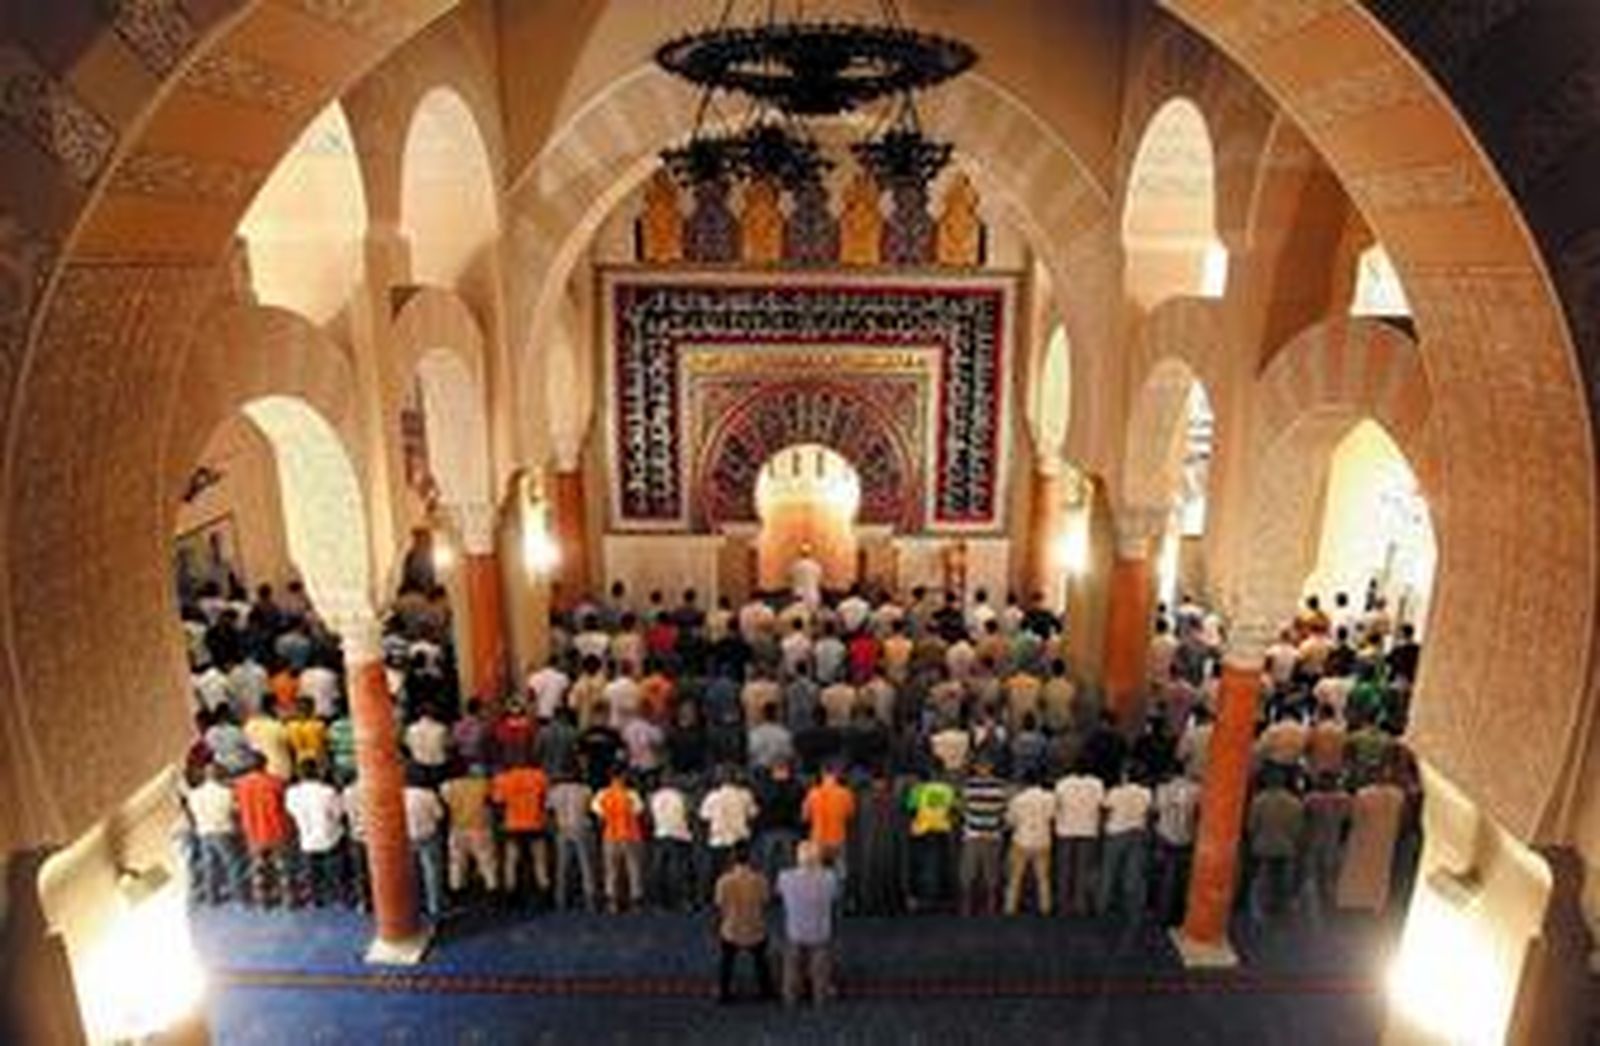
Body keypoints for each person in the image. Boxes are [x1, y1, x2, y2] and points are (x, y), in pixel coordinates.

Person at [777, 842, 838, 1006]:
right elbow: (834, 898)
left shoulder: (785, 877)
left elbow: (779, 895)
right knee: (821, 963)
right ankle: (820, 995)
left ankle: (790, 996)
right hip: (820, 933)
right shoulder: (830, 878)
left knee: (791, 962)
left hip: (795, 932)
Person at [714, 845, 776, 1003]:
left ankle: (724, 992)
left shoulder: (724, 880)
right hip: (755, 928)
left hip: (731, 929)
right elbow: (766, 901)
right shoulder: (760, 879)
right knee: (761, 960)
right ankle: (766, 991)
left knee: (726, 961)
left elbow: (719, 904)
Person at [234, 755, 293, 907]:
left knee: (259, 868)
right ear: (265, 765)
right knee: (282, 868)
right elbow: (284, 805)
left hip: (253, 832)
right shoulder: (275, 783)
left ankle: (263, 900)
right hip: (276, 830)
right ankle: (288, 900)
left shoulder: (240, 785)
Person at [285, 761, 345, 907]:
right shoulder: (328, 792)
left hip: (307, 840)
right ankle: (339, 896)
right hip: (330, 838)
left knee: (312, 872)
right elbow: (338, 813)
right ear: (318, 772)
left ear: (300, 774)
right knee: (334, 870)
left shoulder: (292, 793)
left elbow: (291, 812)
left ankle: (316, 898)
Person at [1247, 770, 1305, 920]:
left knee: (1262, 881)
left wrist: (1253, 840)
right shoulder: (1295, 803)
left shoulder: (1259, 801)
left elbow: (1251, 826)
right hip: (1286, 847)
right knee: (1282, 882)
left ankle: (1260, 913)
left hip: (1263, 847)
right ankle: (1281, 910)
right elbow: (1298, 829)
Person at [1099, 770, 1152, 923]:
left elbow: (1105, 807)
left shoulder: (1115, 792)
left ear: (1126, 777)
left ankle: (1103, 905)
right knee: (1132, 873)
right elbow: (1149, 812)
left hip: (1115, 833)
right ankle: (1130, 907)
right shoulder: (1146, 793)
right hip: (1137, 834)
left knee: (1109, 871)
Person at [958, 758, 1008, 916]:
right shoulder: (1001, 786)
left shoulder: (968, 785)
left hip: (972, 833)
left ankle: (967, 907)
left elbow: (961, 806)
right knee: (991, 872)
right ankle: (991, 907)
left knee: (968, 872)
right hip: (993, 834)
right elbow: (1004, 810)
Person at [592, 767, 645, 913]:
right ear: (623, 777)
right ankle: (635, 902)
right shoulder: (632, 794)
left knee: (611, 871)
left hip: (610, 835)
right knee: (633, 870)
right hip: (631, 836)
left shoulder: (602, 794)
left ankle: (612, 902)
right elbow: (638, 813)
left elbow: (599, 816)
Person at [443, 763, 501, 897]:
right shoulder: (484, 785)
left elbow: (445, 800)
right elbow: (495, 799)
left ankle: (456, 892)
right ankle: (492, 891)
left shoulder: (450, 785)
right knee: (487, 862)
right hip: (480, 827)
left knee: (456, 862)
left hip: (457, 827)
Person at [187, 763, 241, 904]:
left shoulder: (194, 795)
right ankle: (239, 894)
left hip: (204, 832)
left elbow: (194, 813)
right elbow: (234, 810)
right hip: (222, 831)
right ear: (219, 775)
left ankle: (212, 896)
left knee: (210, 865)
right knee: (232, 863)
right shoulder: (226, 792)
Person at [1151, 771, 1200, 925]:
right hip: (1186, 837)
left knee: (1163, 874)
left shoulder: (1162, 789)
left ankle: (1160, 912)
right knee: (1182, 878)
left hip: (1164, 836)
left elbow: (1154, 811)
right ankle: (1178, 914)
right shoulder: (1197, 790)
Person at [1052, 768, 1103, 916]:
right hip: (1088, 830)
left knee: (1064, 869)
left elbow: (1057, 806)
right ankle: (1080, 905)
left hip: (1065, 829)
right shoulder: (1097, 784)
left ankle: (1062, 905)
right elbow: (1100, 806)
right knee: (1083, 870)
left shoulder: (1062, 784)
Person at [905, 770, 958, 911]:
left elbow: (910, 810)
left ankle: (924, 900)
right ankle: (938, 900)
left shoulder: (917, 789)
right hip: (942, 830)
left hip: (921, 831)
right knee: (940, 866)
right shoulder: (948, 789)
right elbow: (954, 809)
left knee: (921, 866)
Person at [1004, 775, 1056, 916]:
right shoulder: (1050, 797)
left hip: (1021, 840)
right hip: (1043, 839)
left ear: (1025, 784)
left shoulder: (1018, 799)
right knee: (1043, 878)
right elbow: (1052, 816)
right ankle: (1045, 908)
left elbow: (1010, 821)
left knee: (1015, 878)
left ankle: (1010, 908)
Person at [548, 774, 598, 911]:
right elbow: (591, 809)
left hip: (563, 828)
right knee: (586, 865)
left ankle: (561, 899)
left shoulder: (555, 791)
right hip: (581, 827)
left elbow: (549, 810)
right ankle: (590, 898)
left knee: (562, 866)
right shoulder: (585, 790)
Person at [404, 771, 447, 922]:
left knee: (412, 871)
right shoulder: (428, 794)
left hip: (406, 838)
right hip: (429, 836)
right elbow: (439, 814)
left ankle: (415, 903)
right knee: (432, 872)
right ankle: (434, 906)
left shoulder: (397, 794)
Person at [649, 777, 695, 910]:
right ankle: (684, 900)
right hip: (680, 834)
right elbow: (690, 814)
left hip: (661, 834)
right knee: (681, 869)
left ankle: (660, 902)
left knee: (660, 870)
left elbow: (649, 816)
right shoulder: (682, 797)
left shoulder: (654, 797)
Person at [790, 545, 824, 610]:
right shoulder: (816, 566)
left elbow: (791, 578)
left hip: (799, 595)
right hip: (813, 594)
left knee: (800, 615)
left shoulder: (796, 566)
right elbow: (819, 580)